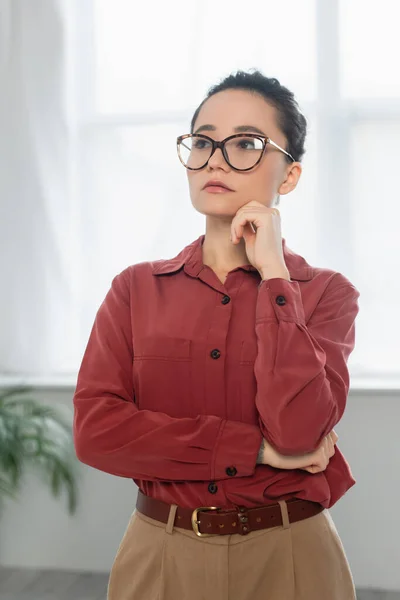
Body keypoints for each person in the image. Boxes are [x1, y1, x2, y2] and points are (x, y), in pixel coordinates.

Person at [73, 69, 360, 600]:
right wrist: (257, 452)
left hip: (292, 556)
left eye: (246, 144)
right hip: (160, 554)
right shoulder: (135, 290)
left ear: (290, 175)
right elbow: (97, 432)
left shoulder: (326, 294)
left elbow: (300, 432)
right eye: (203, 142)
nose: (216, 160)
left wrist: (274, 274)